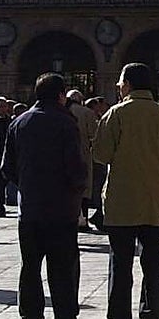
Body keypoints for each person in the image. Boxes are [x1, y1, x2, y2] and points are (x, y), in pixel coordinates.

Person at [91, 63, 159, 319]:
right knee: (153, 265)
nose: (118, 88)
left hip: (122, 202)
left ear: (128, 85)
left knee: (121, 264)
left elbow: (101, 154)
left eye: (120, 83)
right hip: (155, 201)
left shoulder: (116, 114)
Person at [2, 73, 89, 319]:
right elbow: (75, 167)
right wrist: (76, 191)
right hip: (61, 208)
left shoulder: (19, 122)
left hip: (29, 209)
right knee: (63, 267)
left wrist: (28, 185)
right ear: (61, 95)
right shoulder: (65, 123)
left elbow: (7, 167)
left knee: (30, 267)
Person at [66, 89, 99, 230]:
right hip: (83, 154)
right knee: (84, 188)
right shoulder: (87, 113)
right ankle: (83, 220)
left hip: (64, 155)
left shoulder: (62, 111)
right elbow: (94, 134)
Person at [85, 96, 110, 230]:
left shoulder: (100, 117)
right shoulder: (91, 116)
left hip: (96, 158)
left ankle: (98, 215)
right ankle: (99, 216)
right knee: (98, 186)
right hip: (94, 159)